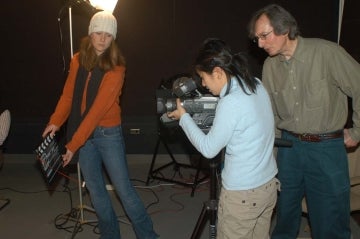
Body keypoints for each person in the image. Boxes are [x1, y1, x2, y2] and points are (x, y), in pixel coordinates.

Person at [42, 11, 158, 239]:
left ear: (113, 38)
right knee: (96, 192)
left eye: (108, 35)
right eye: (98, 33)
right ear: (90, 33)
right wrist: (55, 122)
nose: (103, 39)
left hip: (107, 133)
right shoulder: (77, 60)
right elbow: (68, 96)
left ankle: (149, 236)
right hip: (82, 134)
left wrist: (74, 143)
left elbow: (97, 111)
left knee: (124, 191)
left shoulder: (116, 67)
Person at [248, 4, 360, 239]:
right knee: (285, 215)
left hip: (326, 150)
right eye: (256, 38)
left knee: (330, 219)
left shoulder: (328, 53)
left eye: (264, 36)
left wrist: (358, 132)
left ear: (285, 29)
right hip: (289, 149)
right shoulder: (270, 66)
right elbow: (273, 115)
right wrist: (272, 153)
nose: (259, 44)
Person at [168, 38, 278, 239]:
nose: (203, 84)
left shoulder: (231, 102)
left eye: (204, 78)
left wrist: (184, 117)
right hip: (268, 187)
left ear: (218, 72)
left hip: (242, 196)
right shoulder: (256, 84)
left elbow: (209, 149)